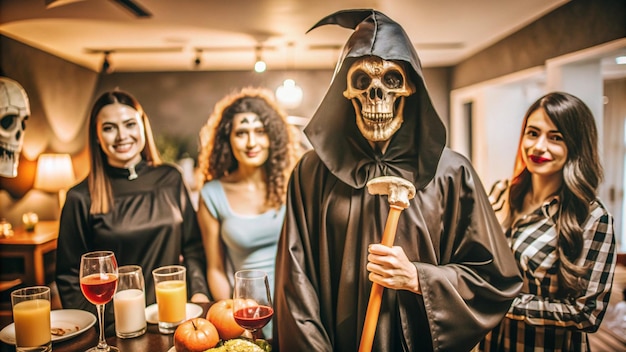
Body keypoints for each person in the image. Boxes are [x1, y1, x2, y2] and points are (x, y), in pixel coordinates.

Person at [273, 9, 523, 352]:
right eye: (363, 82)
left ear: (410, 89)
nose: (376, 96)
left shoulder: (451, 173)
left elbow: (493, 279)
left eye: (391, 81)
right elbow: (295, 287)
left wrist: (421, 278)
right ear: (346, 91)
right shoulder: (312, 173)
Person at [55, 90, 210, 333]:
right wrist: (101, 327)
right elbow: (69, 276)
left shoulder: (171, 178)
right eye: (109, 128)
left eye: (129, 124)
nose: (122, 136)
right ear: (96, 136)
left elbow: (192, 247)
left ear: (142, 127)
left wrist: (200, 293)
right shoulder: (80, 197)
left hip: (175, 318)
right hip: (119, 327)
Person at [480, 92, 617, 351]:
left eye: (555, 137)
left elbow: (586, 313)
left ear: (576, 145)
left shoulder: (592, 218)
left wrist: (499, 302)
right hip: (491, 343)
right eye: (532, 133)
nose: (539, 146)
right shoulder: (500, 192)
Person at [196, 87, 300, 337]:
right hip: (249, 314)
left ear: (272, 137)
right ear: (227, 140)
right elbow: (216, 269)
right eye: (241, 133)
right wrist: (234, 320)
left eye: (260, 132)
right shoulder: (212, 194)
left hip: (297, 304)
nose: (252, 142)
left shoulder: (293, 184)